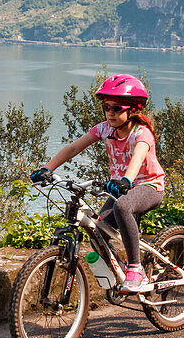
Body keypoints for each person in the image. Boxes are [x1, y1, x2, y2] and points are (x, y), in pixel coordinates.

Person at [30, 74, 166, 293]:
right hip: (121, 189)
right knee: (97, 232)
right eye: (106, 107)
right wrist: (48, 168)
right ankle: (121, 272)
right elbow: (74, 148)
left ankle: (136, 269)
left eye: (117, 108)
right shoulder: (104, 129)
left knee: (123, 206)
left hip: (148, 186)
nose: (110, 112)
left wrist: (125, 181)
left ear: (133, 109)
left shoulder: (142, 134)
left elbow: (137, 158)